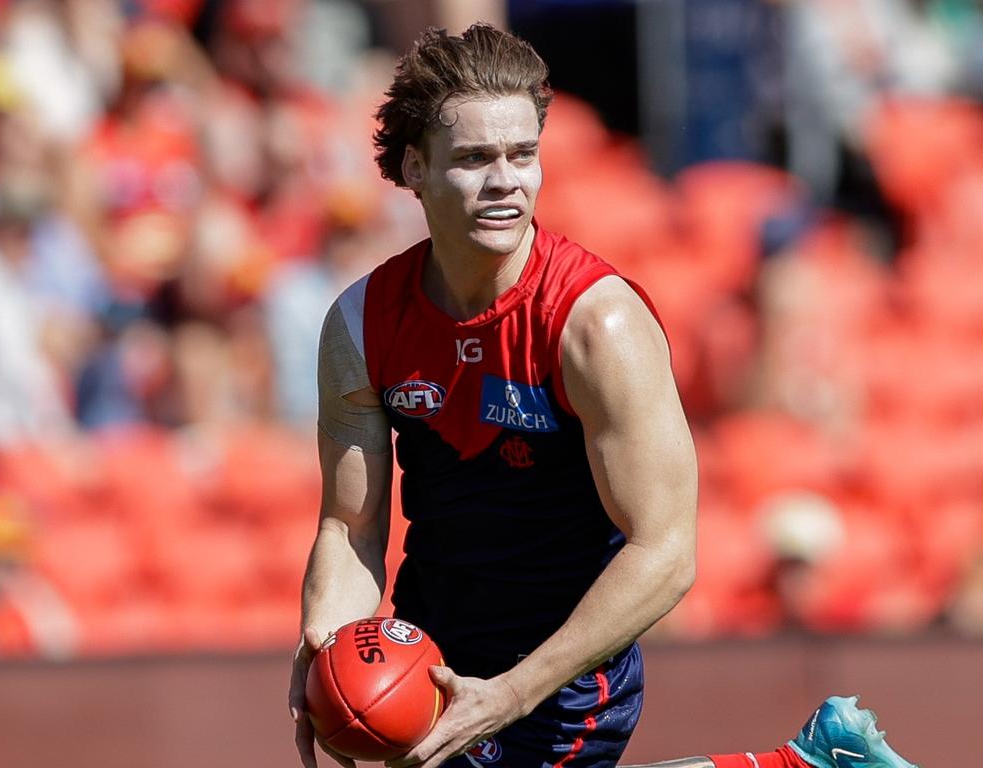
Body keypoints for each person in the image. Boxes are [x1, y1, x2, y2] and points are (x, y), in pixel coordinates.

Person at [288, 23, 919, 768]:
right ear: (416, 167)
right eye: (473, 159)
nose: (505, 181)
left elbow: (666, 551)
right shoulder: (361, 323)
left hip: (568, 671)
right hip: (434, 648)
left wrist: (516, 691)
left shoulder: (595, 322)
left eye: (523, 155)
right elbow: (350, 526)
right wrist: (326, 649)